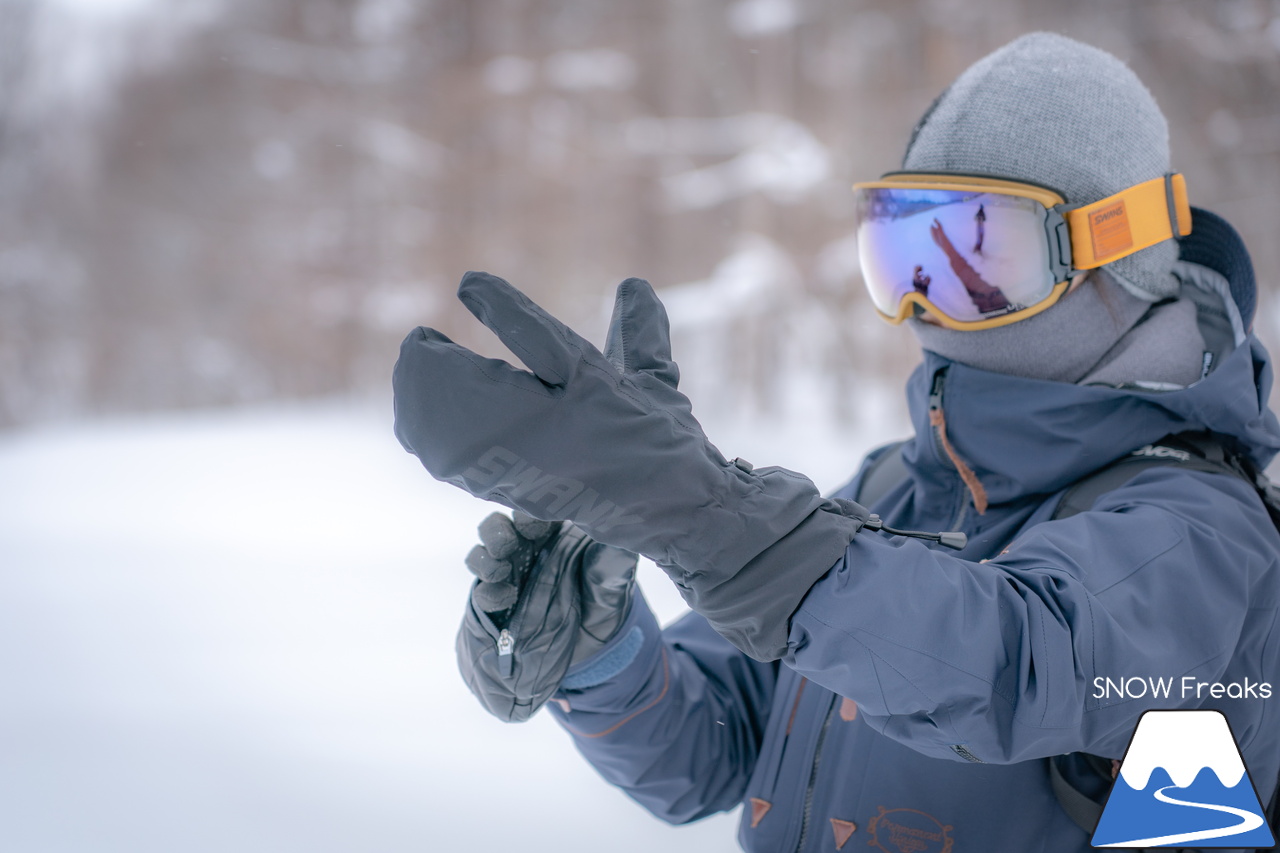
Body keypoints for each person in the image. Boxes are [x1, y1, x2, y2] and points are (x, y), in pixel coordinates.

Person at [392, 33, 1280, 851]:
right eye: (904, 257)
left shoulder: (1203, 531)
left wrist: (709, 519)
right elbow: (723, 746)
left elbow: (1013, 661)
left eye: (983, 257)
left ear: (1112, 259)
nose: (927, 304)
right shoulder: (901, 484)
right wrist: (605, 657)